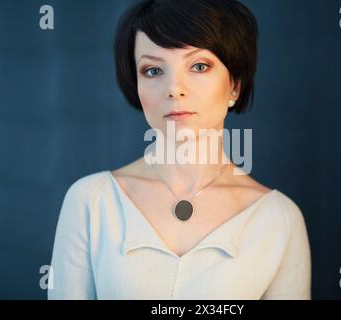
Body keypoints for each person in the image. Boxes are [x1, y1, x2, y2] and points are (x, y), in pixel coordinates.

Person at [48, 0, 311, 300]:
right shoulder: (91, 202)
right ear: (135, 84)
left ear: (234, 86)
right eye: (153, 70)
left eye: (199, 66)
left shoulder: (279, 219)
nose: (174, 88)